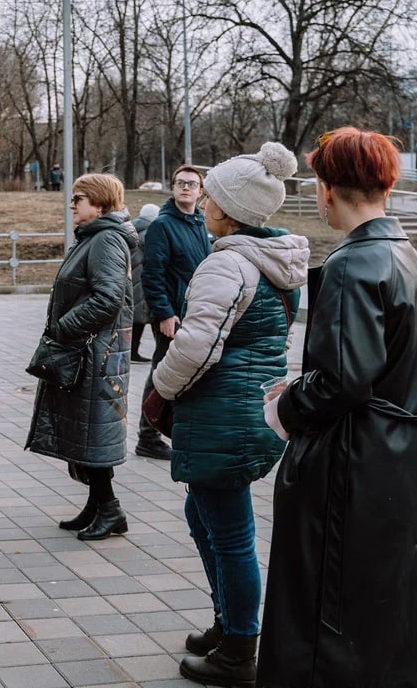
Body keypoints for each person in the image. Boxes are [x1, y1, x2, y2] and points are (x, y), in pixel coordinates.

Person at [258, 128, 417, 688]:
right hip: (399, 459)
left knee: (329, 611)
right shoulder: (405, 255)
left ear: (327, 186)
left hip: (350, 465)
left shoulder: (353, 263)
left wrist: (288, 403)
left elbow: (343, 380)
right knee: (385, 605)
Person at [149, 142, 307, 687]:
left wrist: (160, 392)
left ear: (226, 208)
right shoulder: (270, 257)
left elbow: (196, 346)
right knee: (206, 515)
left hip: (225, 411)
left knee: (231, 530)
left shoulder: (228, 263)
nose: (205, 200)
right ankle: (230, 623)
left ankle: (240, 649)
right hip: (252, 406)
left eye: (211, 194)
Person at [24, 174, 136, 541]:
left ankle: (110, 509)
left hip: (96, 355)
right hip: (91, 352)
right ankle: (97, 505)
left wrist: (63, 328)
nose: (72, 204)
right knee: (87, 430)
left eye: (79, 198)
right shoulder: (94, 238)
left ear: (100, 204)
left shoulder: (105, 241)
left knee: (93, 429)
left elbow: (108, 298)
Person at [136, 165, 211, 460]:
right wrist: (165, 313)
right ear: (173, 187)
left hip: (194, 312)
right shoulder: (162, 225)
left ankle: (176, 429)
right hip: (171, 315)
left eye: (192, 184)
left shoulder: (199, 223)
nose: (186, 188)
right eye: (181, 183)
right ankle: (148, 435)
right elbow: (152, 275)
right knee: (162, 372)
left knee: (182, 373)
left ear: (200, 191)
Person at [130, 203, 159, 362]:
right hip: (143, 278)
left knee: (137, 317)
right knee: (146, 317)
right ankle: (135, 352)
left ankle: (132, 351)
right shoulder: (149, 233)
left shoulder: (133, 230)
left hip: (134, 278)